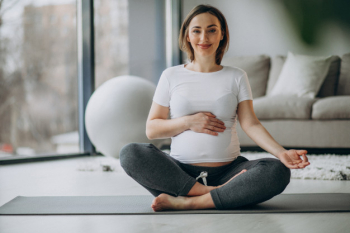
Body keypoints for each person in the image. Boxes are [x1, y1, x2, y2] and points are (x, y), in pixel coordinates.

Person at [119, 4, 310, 212]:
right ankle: (216, 193)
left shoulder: (237, 76)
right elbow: (152, 129)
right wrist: (188, 122)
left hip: (230, 171)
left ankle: (189, 201)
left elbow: (251, 123)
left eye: (212, 30)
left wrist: (281, 153)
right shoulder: (170, 76)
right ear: (187, 36)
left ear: (222, 35)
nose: (204, 38)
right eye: (197, 31)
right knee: (130, 153)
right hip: (180, 174)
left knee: (277, 171)